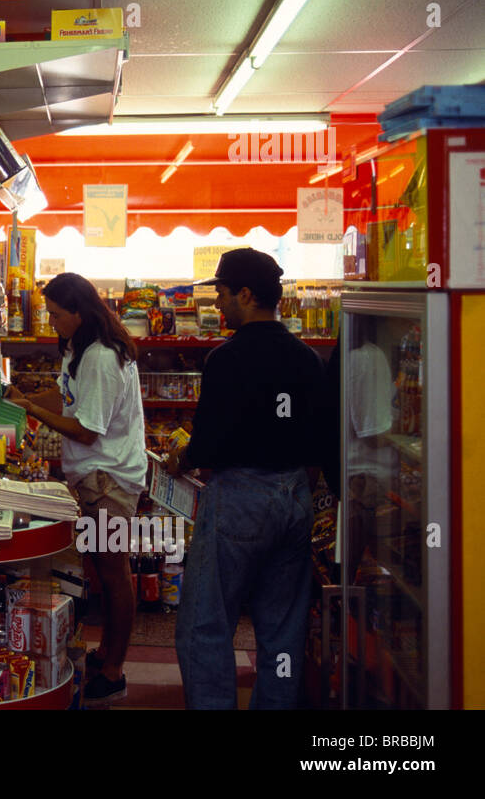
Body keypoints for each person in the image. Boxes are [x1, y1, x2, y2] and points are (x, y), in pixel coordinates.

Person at [166, 247, 325, 709]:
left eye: (221, 293)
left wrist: (181, 457)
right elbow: (316, 438)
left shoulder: (226, 359)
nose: (217, 304)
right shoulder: (308, 359)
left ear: (247, 294)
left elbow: (209, 446)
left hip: (239, 499)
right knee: (282, 630)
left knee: (205, 626)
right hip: (295, 495)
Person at [7, 272, 147, 707]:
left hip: (110, 485)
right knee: (104, 573)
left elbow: (86, 429)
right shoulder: (80, 349)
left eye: (55, 315)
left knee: (114, 574)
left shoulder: (103, 357)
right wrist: (24, 394)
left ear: (79, 313)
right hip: (92, 481)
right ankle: (106, 654)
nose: (51, 323)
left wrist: (30, 408)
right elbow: (68, 398)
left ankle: (115, 671)